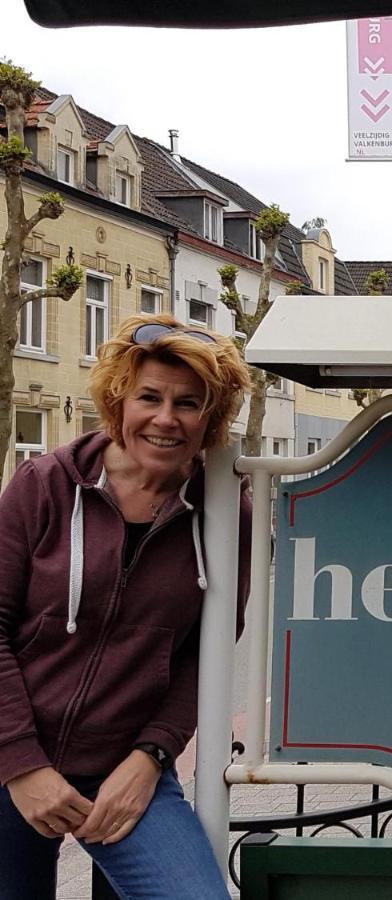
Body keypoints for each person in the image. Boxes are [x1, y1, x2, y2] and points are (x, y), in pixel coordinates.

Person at [0, 314, 253, 898]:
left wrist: (150, 758)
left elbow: (202, 659)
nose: (166, 419)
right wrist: (22, 765)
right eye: (150, 397)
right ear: (119, 398)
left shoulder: (225, 516)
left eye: (189, 403)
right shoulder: (44, 485)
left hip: (124, 764)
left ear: (210, 418)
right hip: (11, 753)